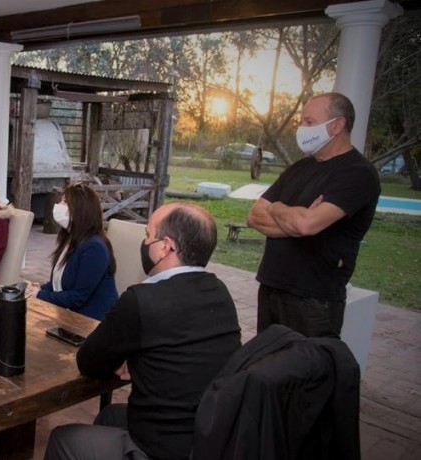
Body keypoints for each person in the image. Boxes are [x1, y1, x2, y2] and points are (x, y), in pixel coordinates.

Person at [44, 202, 241, 460]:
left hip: (161, 446)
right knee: (110, 415)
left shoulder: (142, 300)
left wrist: (132, 361)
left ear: (165, 247)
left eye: (148, 235)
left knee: (62, 439)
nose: (144, 243)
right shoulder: (220, 293)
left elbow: (88, 361)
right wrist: (140, 360)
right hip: (208, 434)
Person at [246, 92, 380, 338]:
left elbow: (307, 225)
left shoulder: (357, 173)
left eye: (309, 122)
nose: (302, 128)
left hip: (314, 300)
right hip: (272, 287)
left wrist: (276, 208)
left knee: (308, 362)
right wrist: (296, 218)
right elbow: (254, 216)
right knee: (267, 360)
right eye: (301, 122)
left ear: (337, 125)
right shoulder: (299, 168)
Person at [26, 183, 117, 320]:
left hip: (92, 322)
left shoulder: (94, 247)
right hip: (70, 315)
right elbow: (61, 284)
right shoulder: (70, 238)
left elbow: (77, 297)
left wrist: (39, 294)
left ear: (80, 210)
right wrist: (42, 288)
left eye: (65, 202)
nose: (59, 205)